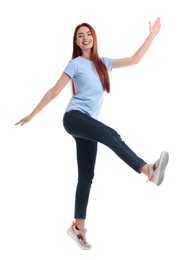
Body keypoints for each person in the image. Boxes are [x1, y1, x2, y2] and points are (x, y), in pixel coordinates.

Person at [15, 17, 169, 250]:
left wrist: (152, 35)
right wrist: (32, 114)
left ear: (93, 38)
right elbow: (55, 91)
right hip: (74, 118)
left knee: (86, 175)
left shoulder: (102, 63)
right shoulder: (75, 63)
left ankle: (77, 227)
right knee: (111, 134)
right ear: (76, 42)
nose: (85, 37)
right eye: (80, 35)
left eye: (88, 34)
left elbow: (135, 60)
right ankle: (148, 169)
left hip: (88, 124)